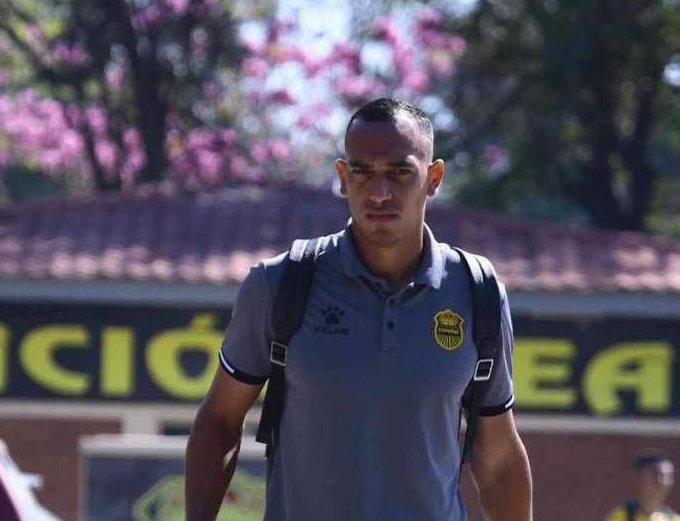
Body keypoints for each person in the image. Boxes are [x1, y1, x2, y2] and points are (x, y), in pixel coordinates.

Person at [185, 98, 532, 520]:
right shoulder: (281, 285)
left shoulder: (477, 291)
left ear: (434, 177)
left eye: (400, 171)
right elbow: (220, 420)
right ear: (343, 177)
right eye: (362, 171)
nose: (379, 191)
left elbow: (495, 459)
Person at [604, 449, 680, 521]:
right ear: (642, 478)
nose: (661, 481)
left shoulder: (674, 519)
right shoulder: (623, 516)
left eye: (668, 476)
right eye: (655, 475)